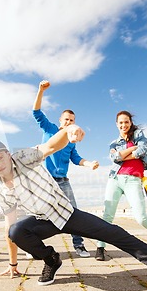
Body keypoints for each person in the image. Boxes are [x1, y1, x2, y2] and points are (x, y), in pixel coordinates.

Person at [0, 124, 147, 285]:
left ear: (7, 155)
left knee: (114, 233)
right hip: (43, 221)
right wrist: (12, 263)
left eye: (0, 157)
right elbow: (10, 230)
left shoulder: (23, 157)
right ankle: (51, 259)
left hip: (66, 213)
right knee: (16, 230)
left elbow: (49, 146)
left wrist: (68, 130)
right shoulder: (0, 189)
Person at [95, 111, 147, 261]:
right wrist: (132, 149)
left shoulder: (138, 135)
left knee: (141, 218)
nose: (123, 125)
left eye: (126, 122)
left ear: (130, 122)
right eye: (121, 122)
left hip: (133, 180)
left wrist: (123, 154)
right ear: (116, 124)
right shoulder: (114, 143)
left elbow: (142, 150)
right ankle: (100, 247)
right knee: (107, 216)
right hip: (115, 179)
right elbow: (114, 158)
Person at [32, 80, 99, 258]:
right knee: (39, 214)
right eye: (66, 119)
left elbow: (76, 159)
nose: (69, 122)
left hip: (63, 182)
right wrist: (40, 91)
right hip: (45, 181)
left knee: (73, 213)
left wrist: (89, 163)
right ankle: (32, 246)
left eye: (72, 120)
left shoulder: (71, 142)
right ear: (61, 121)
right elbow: (36, 112)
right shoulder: (50, 129)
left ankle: (79, 245)